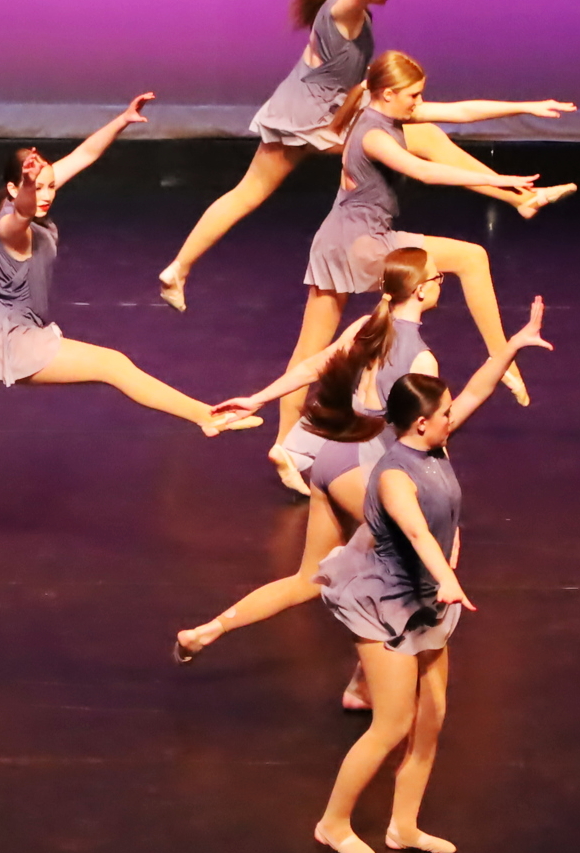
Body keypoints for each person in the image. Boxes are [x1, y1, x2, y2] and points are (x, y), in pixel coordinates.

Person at [0, 95, 259, 555]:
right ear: (15, 187)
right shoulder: (10, 225)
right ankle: (205, 416)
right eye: (38, 187)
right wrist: (28, 188)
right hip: (9, 336)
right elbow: (21, 211)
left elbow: (85, 155)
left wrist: (120, 120)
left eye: (51, 185)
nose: (48, 194)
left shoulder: (38, 196)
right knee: (113, 365)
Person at [158, 0, 572, 311]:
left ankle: (177, 268)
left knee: (250, 192)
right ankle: (521, 198)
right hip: (312, 115)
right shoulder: (345, 8)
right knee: (423, 138)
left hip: (311, 109)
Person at [310, 299, 553, 853]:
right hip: (387, 606)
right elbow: (418, 534)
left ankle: (404, 826)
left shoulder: (434, 442)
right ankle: (332, 823)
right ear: (421, 422)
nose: (452, 416)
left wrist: (511, 348)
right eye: (444, 412)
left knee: (431, 719)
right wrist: (448, 579)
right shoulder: (394, 476)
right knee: (391, 724)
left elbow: (475, 391)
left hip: (428, 600)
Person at [171, 249, 441, 695]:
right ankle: (366, 685)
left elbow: (316, 365)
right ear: (420, 290)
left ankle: (208, 630)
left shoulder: (368, 326)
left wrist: (257, 398)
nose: (439, 284)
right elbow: (425, 439)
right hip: (366, 471)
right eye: (437, 278)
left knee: (309, 578)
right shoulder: (423, 359)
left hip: (331, 458)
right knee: (409, 572)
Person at [274, 52, 570, 441]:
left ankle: (283, 444)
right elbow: (424, 171)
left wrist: (526, 107)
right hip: (364, 243)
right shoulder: (374, 135)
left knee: (310, 351)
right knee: (472, 257)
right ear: (388, 94)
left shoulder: (385, 112)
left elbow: (462, 111)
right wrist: (499, 180)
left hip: (335, 242)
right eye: (413, 95)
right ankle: (502, 360)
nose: (419, 103)